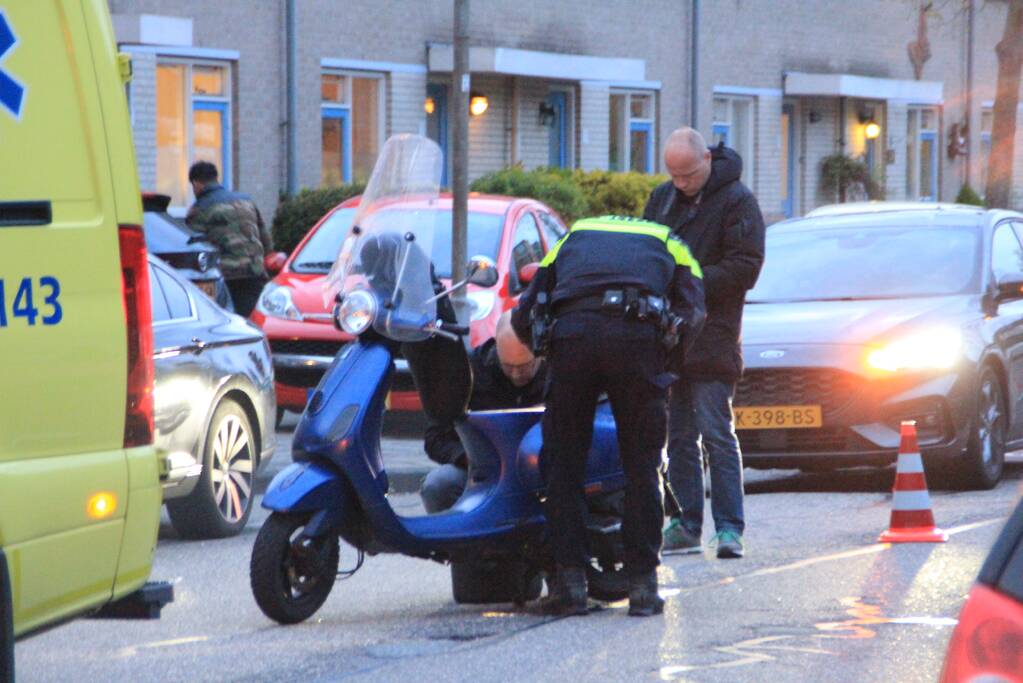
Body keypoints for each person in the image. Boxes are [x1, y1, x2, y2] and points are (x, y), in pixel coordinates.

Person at [512, 215, 705, 617]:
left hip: (573, 340)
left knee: (563, 467)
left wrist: (549, 354)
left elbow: (524, 311)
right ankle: (643, 589)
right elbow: (695, 312)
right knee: (643, 469)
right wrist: (666, 364)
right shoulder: (669, 239)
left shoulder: (574, 235)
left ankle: (570, 586)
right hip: (637, 342)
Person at [643, 127, 765, 560]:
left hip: (712, 337)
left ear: (706, 161)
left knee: (716, 433)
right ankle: (685, 524)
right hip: (672, 336)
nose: (681, 184)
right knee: (677, 436)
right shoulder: (663, 198)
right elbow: (647, 248)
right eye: (673, 176)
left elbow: (745, 268)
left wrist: (687, 282)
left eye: (688, 175)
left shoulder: (738, 202)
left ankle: (730, 528)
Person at [420, 311, 546, 513]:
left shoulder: (558, 370)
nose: (516, 374)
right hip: (482, 473)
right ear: (497, 348)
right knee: (439, 484)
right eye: (508, 366)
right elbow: (435, 438)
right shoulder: (469, 373)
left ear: (540, 353)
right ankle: (457, 543)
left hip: (542, 473)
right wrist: (469, 458)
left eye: (524, 367)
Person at [186, 161, 273, 317]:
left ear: (196, 183)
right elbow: (266, 242)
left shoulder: (199, 210)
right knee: (253, 322)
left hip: (225, 278)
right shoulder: (246, 201)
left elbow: (191, 249)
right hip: (254, 272)